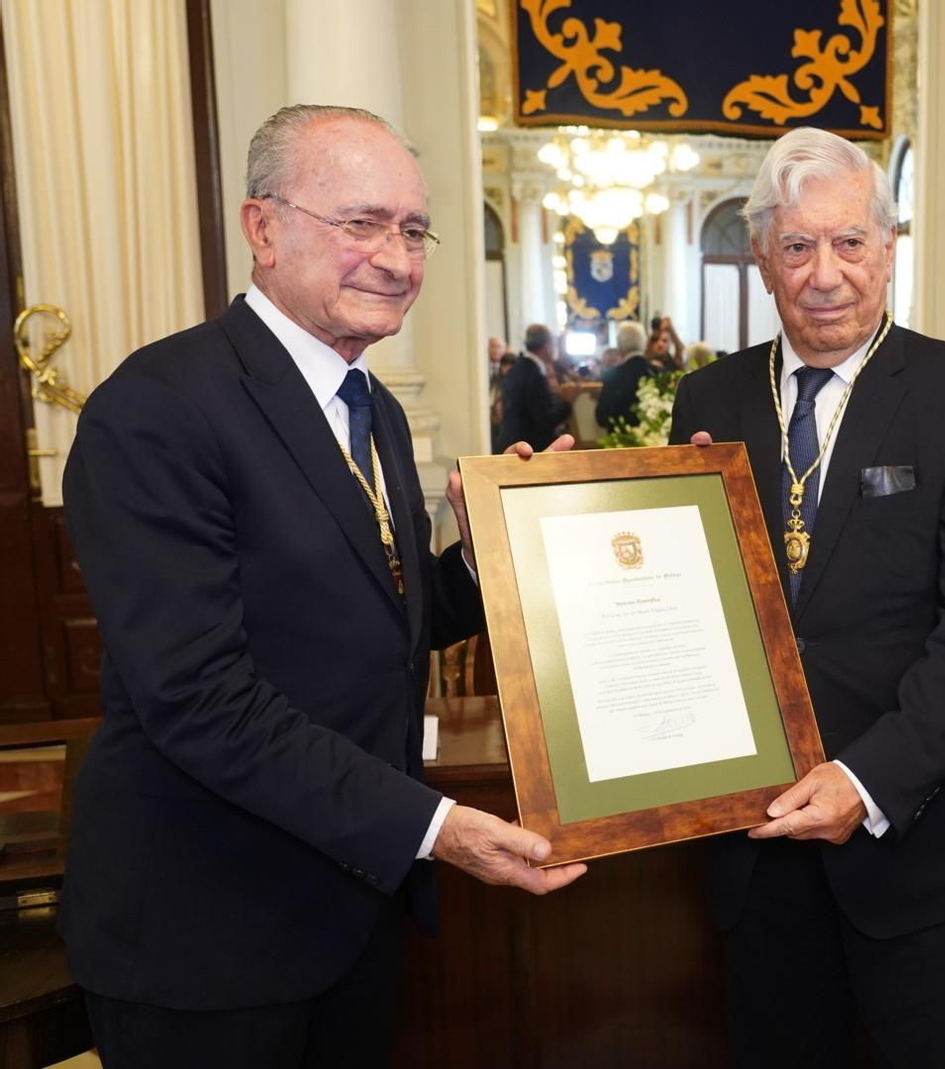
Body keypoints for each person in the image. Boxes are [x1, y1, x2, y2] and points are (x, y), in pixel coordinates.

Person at [60, 104, 585, 1068]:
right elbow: (198, 699)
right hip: (205, 930)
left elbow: (383, 625)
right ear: (263, 229)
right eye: (362, 223)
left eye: (414, 229)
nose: (397, 257)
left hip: (348, 909)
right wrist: (432, 828)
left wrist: (491, 554)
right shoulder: (157, 409)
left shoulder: (373, 408)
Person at [668, 126, 945, 1067]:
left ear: (889, 247)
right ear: (761, 261)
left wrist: (866, 780)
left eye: (849, 243)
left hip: (910, 841)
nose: (825, 273)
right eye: (797, 246)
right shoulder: (707, 398)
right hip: (756, 841)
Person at [492, 323, 572, 453]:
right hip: (526, 448)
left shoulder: (518, 367)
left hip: (510, 443)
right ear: (547, 347)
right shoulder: (533, 374)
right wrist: (568, 404)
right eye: (554, 344)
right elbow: (542, 420)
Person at [594, 319, 655, 430]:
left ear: (619, 345)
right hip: (654, 440)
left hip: (620, 442)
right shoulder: (658, 372)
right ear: (644, 343)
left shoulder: (612, 375)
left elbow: (601, 417)